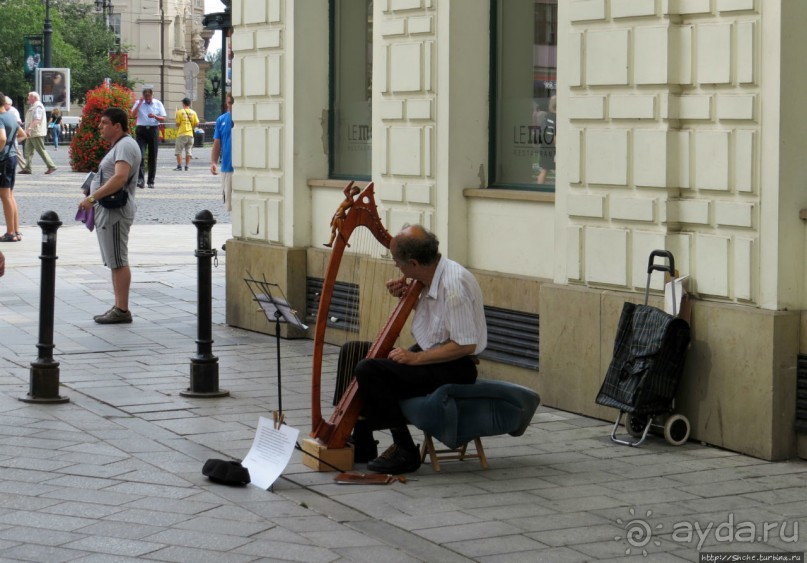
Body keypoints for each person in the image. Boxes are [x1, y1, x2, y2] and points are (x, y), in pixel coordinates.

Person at [349, 225, 488, 474]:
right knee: (354, 351)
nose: (396, 268)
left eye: (397, 262)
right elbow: (437, 327)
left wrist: (415, 358)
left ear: (413, 262)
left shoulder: (453, 285)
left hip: (455, 367)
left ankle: (405, 449)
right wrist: (407, 298)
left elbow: (465, 344)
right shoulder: (427, 278)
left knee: (369, 370)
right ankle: (362, 441)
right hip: (435, 357)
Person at [77, 107, 142, 324]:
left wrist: (93, 197)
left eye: (104, 123)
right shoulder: (120, 146)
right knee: (114, 260)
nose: (100, 127)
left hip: (115, 211)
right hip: (108, 211)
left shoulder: (124, 146)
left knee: (119, 259)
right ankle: (118, 307)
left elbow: (120, 178)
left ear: (117, 126)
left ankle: (122, 310)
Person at [0, 91, 27, 242]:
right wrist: (12, 146)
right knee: (9, 195)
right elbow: (22, 134)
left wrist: (2, 147)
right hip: (11, 158)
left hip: (3, 160)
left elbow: (2, 138)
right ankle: (16, 230)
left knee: (5, 196)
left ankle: (10, 232)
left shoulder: (0, 118)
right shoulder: (10, 115)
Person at [130, 87, 166, 189]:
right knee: (140, 156)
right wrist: (139, 103)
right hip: (141, 130)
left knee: (152, 156)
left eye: (149, 97)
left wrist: (155, 116)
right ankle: (141, 180)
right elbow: (132, 115)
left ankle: (151, 181)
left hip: (153, 130)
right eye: (145, 97)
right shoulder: (139, 102)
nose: (148, 99)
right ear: (143, 96)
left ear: (152, 95)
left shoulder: (158, 103)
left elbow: (163, 118)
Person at [20, 92, 57, 175]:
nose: (28, 99)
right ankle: (27, 168)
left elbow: (37, 120)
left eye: (29, 97)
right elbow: (31, 119)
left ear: (34, 98)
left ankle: (51, 166)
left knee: (40, 150)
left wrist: (29, 128)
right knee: (27, 151)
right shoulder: (33, 106)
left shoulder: (38, 106)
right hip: (31, 133)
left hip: (36, 132)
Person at [210, 92, 234, 211]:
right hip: (227, 167)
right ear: (226, 103)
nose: (232, 106)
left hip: (244, 168)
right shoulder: (221, 120)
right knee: (229, 204)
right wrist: (214, 162)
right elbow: (217, 143)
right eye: (230, 103)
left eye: (234, 102)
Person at [174, 97, 199, 171]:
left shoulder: (179, 112)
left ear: (183, 103)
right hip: (190, 134)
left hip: (181, 133)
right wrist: (192, 127)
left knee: (178, 151)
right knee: (188, 151)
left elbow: (178, 124)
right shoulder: (193, 112)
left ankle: (179, 166)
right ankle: (187, 166)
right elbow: (197, 123)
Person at [537, 95, 556, 185]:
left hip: (545, 146)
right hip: (552, 148)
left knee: (544, 170)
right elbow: (555, 136)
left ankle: (538, 190)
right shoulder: (556, 118)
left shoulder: (547, 116)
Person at [4, 97, 26, 171]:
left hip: (12, 133)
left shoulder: (13, 111)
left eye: (4, 104)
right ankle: (24, 166)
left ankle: (24, 166)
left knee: (15, 150)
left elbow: (17, 122)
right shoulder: (6, 110)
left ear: (8, 104)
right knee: (14, 150)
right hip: (9, 133)